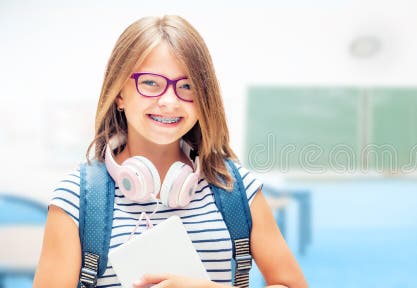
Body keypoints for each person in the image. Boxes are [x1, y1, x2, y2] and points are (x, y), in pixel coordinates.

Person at [32, 15, 307, 288]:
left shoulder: (236, 189)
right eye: (150, 83)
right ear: (119, 93)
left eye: (187, 86)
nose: (169, 101)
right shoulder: (76, 198)